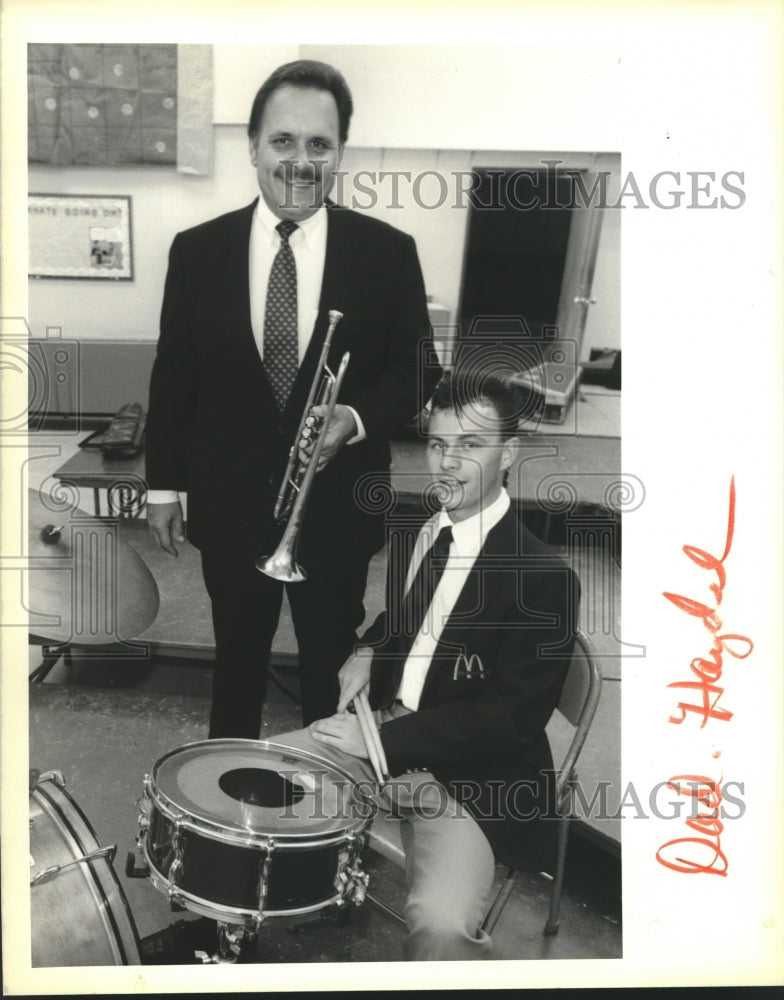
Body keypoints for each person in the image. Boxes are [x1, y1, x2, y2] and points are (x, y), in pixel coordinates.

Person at [144, 60, 438, 734]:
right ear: (252, 146)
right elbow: (175, 377)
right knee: (236, 668)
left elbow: (420, 368)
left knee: (329, 673)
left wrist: (357, 418)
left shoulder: (387, 252)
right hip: (230, 506)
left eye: (319, 144)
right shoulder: (197, 251)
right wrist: (163, 486)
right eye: (283, 141)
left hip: (338, 510)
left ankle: (326, 808)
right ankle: (227, 815)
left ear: (339, 153)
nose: (300, 162)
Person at [272, 369, 581, 961]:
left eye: (471, 445)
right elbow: (405, 618)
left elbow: (510, 717)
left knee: (440, 927)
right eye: (439, 444)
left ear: (509, 453)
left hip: (468, 780)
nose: (447, 462)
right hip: (384, 729)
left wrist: (380, 742)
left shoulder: (544, 579)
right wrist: (367, 648)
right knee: (249, 786)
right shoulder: (428, 528)